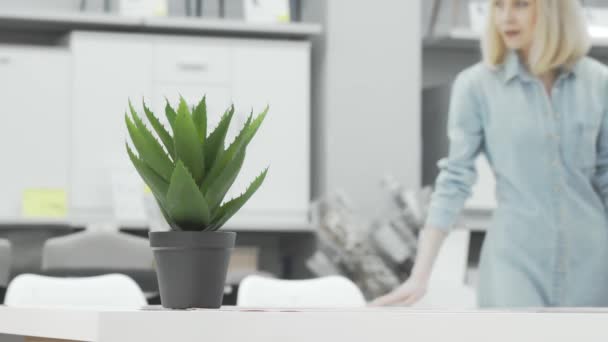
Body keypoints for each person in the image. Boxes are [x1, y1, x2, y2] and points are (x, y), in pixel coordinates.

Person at [372, 0, 608, 308]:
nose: (506, 17)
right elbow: (454, 180)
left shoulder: (598, 82)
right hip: (514, 263)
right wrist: (420, 275)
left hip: (592, 263)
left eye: (521, 5)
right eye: (498, 6)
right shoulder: (476, 86)